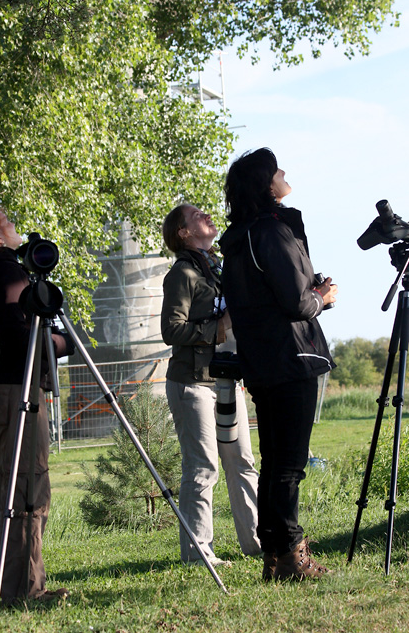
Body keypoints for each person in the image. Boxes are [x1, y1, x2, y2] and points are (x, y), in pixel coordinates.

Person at [219, 148, 337, 581]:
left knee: (275, 462)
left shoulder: (239, 238)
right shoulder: (271, 232)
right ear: (269, 186)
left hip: (262, 360)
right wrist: (321, 297)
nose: (286, 173)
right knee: (289, 465)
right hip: (292, 356)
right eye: (278, 170)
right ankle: (290, 556)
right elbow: (294, 300)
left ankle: (276, 554)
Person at [0, 203, 72, 604]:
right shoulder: (6, 270)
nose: (14, 228)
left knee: (11, 489)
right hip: (16, 389)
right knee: (26, 491)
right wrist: (63, 342)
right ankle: (24, 592)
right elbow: (20, 335)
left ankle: (17, 588)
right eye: (7, 223)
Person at [161, 203, 261, 566]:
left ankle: (255, 542)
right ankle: (198, 553)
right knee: (203, 467)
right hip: (193, 384)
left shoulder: (217, 268)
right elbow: (171, 330)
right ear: (184, 233)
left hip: (226, 381)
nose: (206, 215)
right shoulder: (182, 274)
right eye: (196, 215)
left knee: (243, 463)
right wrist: (218, 328)